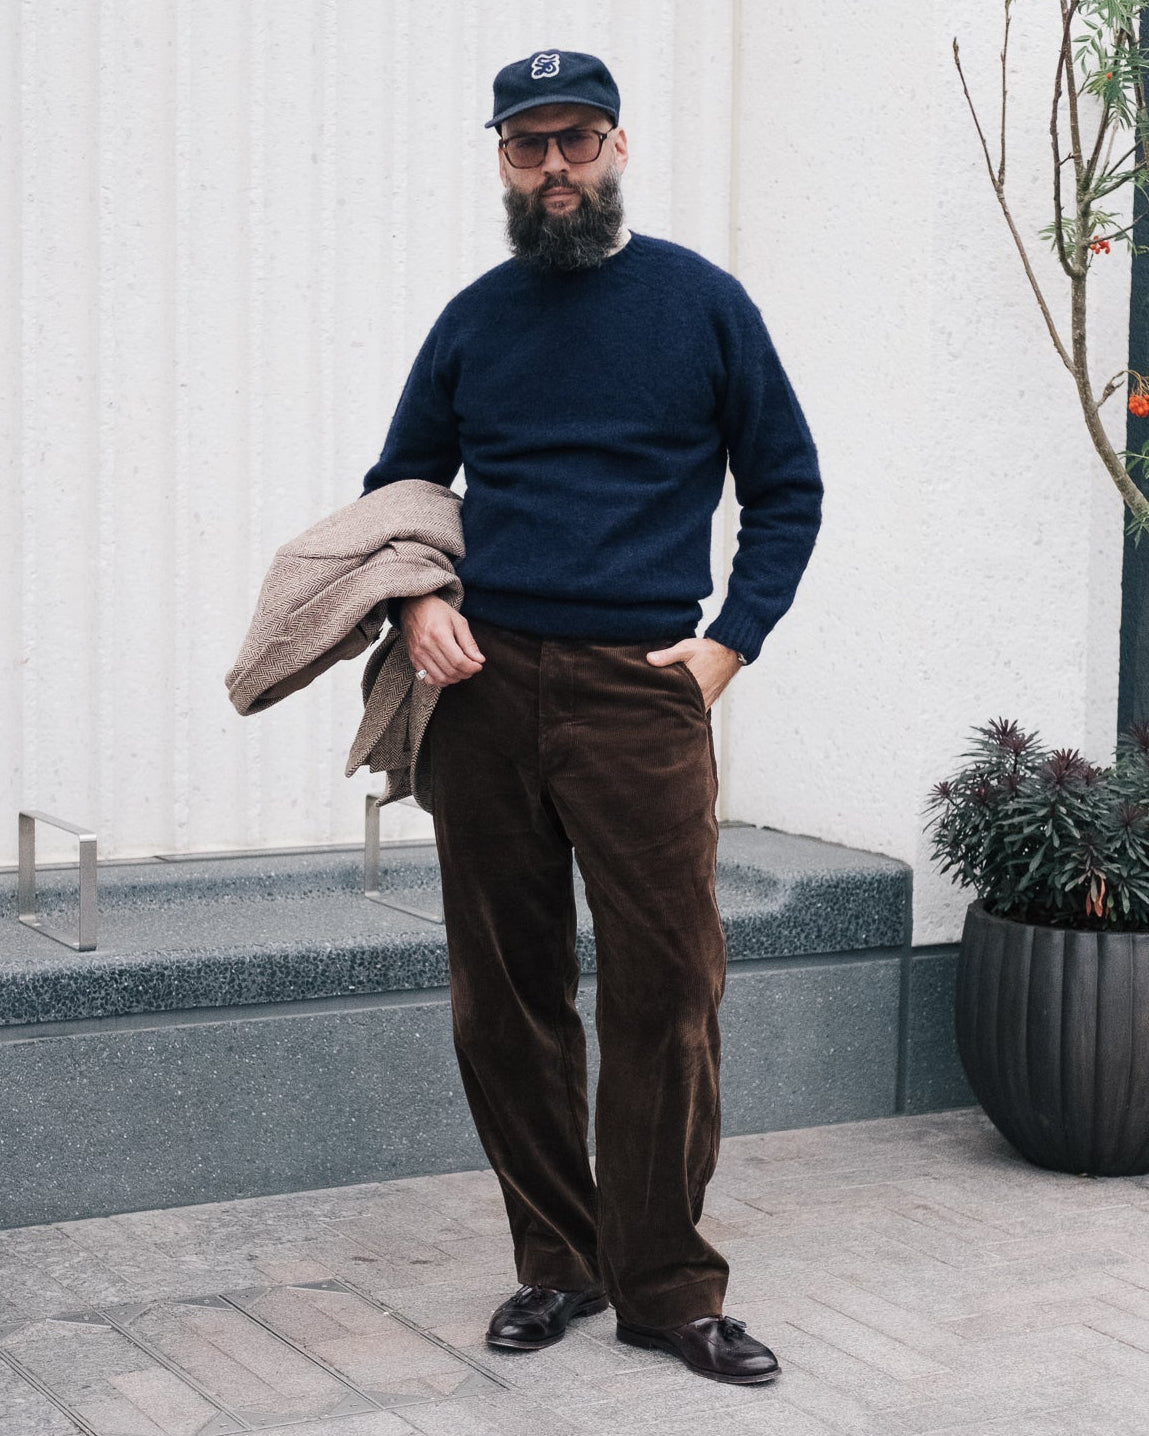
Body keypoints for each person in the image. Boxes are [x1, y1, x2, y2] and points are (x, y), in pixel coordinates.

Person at [362, 49, 822, 1386]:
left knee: (669, 984)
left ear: (617, 146)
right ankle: (553, 1262)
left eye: (574, 142)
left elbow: (785, 486)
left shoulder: (701, 307)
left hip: (642, 691)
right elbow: (401, 483)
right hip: (485, 688)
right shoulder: (473, 319)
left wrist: (726, 647)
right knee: (503, 995)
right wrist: (415, 606)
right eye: (526, 147)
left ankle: (666, 1286)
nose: (553, 168)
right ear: (501, 159)